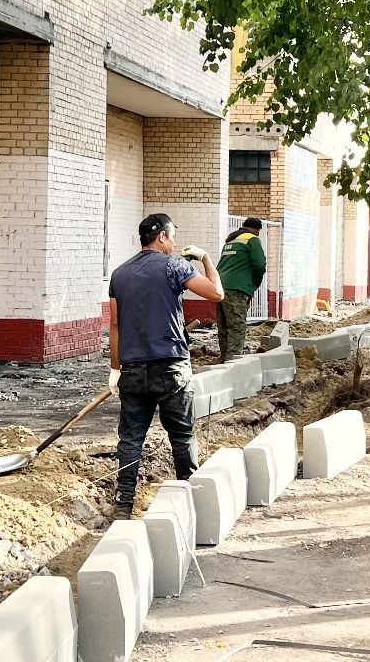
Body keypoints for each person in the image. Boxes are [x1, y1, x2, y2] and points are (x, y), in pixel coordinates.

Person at [109, 212, 223, 520]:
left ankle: (123, 505)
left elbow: (115, 325)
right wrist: (206, 258)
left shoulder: (119, 274)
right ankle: (191, 502)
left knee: (130, 439)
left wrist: (115, 368)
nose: (173, 243)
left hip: (133, 370)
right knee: (182, 436)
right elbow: (217, 293)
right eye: (172, 236)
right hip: (171, 367)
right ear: (161, 236)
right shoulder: (174, 266)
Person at [216, 216, 267, 359]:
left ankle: (224, 359)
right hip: (236, 288)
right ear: (257, 231)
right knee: (237, 327)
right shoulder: (252, 239)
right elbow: (260, 265)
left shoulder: (230, 241)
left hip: (220, 286)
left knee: (224, 326)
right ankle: (233, 362)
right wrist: (254, 284)